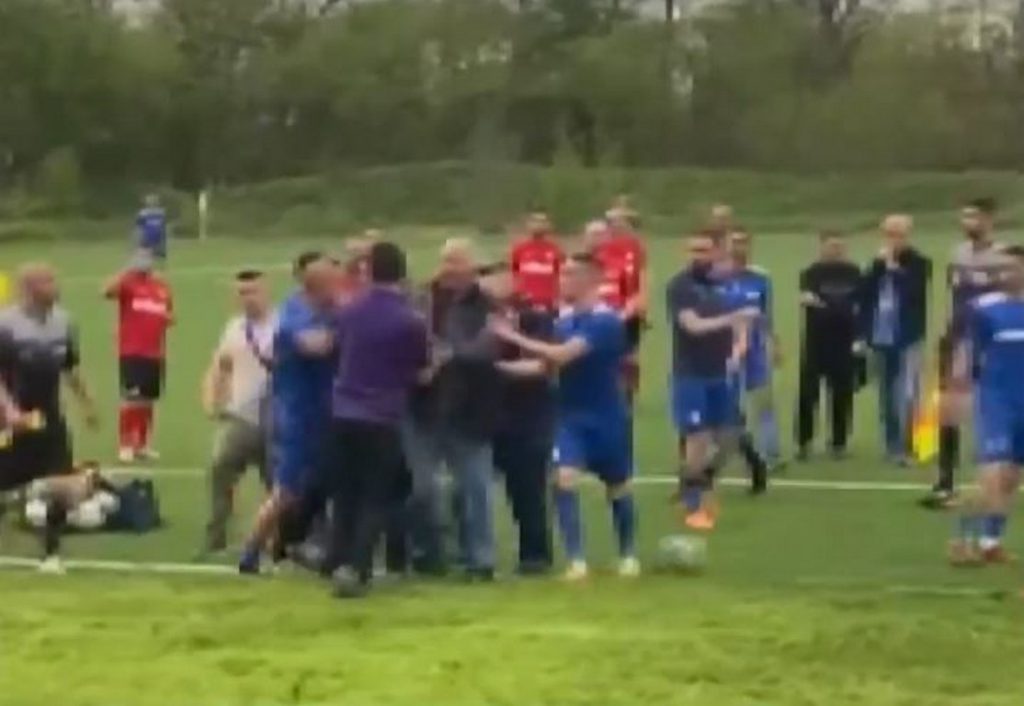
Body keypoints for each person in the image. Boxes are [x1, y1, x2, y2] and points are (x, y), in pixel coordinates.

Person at [491, 253, 638, 581]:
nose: (562, 280)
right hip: (571, 419)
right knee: (564, 478)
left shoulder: (606, 322)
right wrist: (495, 369)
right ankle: (576, 560)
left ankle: (628, 554)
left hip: (608, 417)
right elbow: (545, 367)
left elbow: (563, 354)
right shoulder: (564, 322)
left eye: (570, 274)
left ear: (591, 280)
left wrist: (512, 336)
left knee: (618, 486)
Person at [324, 241, 429, 598]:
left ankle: (337, 560)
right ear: (402, 272)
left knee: (346, 493)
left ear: (370, 271)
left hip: (343, 411)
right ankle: (358, 567)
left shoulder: (349, 311)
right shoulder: (409, 320)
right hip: (381, 416)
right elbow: (419, 371)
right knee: (376, 494)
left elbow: (339, 348)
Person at [402, 238, 500, 580]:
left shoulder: (489, 305)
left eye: (457, 261)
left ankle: (480, 560)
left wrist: (446, 354)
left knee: (475, 489)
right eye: (445, 260)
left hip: (470, 410)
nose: (449, 268)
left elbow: (486, 349)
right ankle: (428, 554)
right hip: (423, 408)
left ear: (473, 267)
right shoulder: (420, 299)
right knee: (421, 488)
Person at [238, 253, 336, 574]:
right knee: (287, 491)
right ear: (316, 285)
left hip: (321, 413)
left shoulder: (323, 310)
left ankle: (293, 546)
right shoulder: (296, 314)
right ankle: (252, 551)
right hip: (298, 416)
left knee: (318, 486)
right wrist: (349, 327)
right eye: (331, 281)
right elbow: (315, 345)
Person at [0, 263, 99, 571]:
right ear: (28, 289)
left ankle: (51, 554)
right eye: (47, 281)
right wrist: (9, 411)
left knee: (63, 483)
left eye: (54, 280)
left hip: (49, 417)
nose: (55, 286)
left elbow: (69, 365)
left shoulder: (64, 322)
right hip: (12, 419)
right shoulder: (6, 325)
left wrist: (87, 403)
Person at [666, 232, 759, 532]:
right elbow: (692, 326)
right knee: (698, 438)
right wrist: (733, 319)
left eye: (704, 250)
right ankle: (694, 505)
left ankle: (696, 480)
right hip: (691, 373)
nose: (698, 255)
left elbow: (742, 321)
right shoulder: (680, 286)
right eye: (693, 250)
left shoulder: (724, 284)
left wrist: (739, 345)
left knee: (730, 438)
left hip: (721, 372)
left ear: (716, 252)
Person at [923, 199, 1007, 509]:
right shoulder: (957, 254)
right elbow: (956, 298)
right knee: (948, 410)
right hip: (958, 340)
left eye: (974, 217)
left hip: (992, 342)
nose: (968, 223)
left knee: (999, 410)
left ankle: (1000, 479)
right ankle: (945, 481)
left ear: (989, 220)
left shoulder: (1005, 257)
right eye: (965, 217)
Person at [948, 245, 1024, 565]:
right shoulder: (983, 309)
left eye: (1011, 267)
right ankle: (961, 539)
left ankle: (990, 542)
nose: (1004, 273)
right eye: (1000, 268)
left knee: (1011, 477)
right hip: (996, 400)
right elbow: (964, 353)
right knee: (992, 473)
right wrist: (958, 392)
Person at [481, 263, 555, 575]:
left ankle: (535, 555)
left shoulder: (536, 318)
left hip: (527, 417)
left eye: (498, 279)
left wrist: (492, 368)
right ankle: (473, 554)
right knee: (470, 490)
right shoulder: (471, 318)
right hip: (483, 418)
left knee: (527, 491)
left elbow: (542, 365)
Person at [198, 269, 276, 556]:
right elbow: (220, 365)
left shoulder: (282, 325)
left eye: (252, 291)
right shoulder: (234, 327)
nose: (247, 298)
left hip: (275, 418)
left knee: (276, 483)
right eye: (241, 293)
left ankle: (275, 540)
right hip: (240, 416)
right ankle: (215, 538)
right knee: (220, 469)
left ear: (266, 291)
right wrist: (212, 397)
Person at [860, 215, 932, 465]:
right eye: (889, 234)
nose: (893, 240)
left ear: (907, 236)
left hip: (907, 338)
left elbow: (913, 292)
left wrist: (892, 267)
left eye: (898, 235)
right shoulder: (876, 264)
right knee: (887, 395)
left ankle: (917, 445)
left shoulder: (920, 263)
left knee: (909, 393)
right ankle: (893, 445)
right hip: (881, 337)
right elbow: (864, 294)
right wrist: (877, 268)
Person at [796, 231, 862, 460]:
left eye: (839, 246)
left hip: (844, 343)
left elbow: (859, 304)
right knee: (808, 394)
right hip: (816, 342)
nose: (836, 251)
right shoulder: (810, 273)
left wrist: (826, 305)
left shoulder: (854, 273)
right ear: (822, 248)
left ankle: (838, 442)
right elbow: (808, 299)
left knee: (842, 394)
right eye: (831, 246)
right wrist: (840, 307)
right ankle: (804, 442)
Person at [103, 251, 173, 463]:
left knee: (148, 401)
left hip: (156, 352)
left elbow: (168, 315)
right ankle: (126, 444)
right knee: (132, 399)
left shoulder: (161, 287)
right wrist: (125, 271)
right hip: (132, 351)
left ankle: (141, 445)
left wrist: (163, 318)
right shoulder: (128, 283)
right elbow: (107, 291)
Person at [726, 228, 783, 468]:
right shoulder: (716, 278)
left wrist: (775, 343)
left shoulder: (760, 278)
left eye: (743, 242)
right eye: (734, 242)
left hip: (756, 349)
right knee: (728, 403)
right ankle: (733, 452)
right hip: (724, 349)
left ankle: (770, 453)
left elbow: (767, 314)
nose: (738, 247)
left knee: (764, 402)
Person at [596, 207, 648, 405]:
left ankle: (628, 394)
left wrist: (639, 303)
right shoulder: (600, 248)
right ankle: (607, 391)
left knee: (629, 355)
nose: (616, 225)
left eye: (621, 221)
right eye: (612, 221)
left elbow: (642, 277)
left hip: (628, 308)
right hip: (605, 308)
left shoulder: (635, 248)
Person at [509, 212, 564, 312]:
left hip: (549, 301)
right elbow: (514, 275)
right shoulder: (520, 249)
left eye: (542, 222)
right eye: (534, 222)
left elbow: (560, 276)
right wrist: (517, 295)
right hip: (525, 301)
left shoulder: (555, 250)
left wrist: (558, 298)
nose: (538, 225)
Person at [135, 193, 168, 262]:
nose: (152, 204)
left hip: (158, 236)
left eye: (153, 202)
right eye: (150, 202)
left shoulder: (161, 212)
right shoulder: (143, 213)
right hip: (147, 236)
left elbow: (163, 225)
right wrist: (140, 236)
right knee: (145, 255)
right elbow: (139, 225)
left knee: (159, 255)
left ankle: (158, 263)